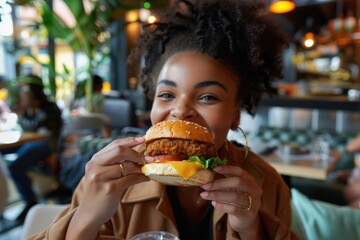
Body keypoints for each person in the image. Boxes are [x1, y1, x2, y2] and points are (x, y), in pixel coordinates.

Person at [29, 1, 297, 239]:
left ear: (236, 114)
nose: (180, 111)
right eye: (167, 94)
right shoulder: (109, 178)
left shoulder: (267, 184)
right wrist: (86, 217)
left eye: (207, 97)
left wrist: (251, 229)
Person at [4, 74, 63, 222]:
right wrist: (23, 112)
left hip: (48, 144)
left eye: (25, 93)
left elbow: (43, 132)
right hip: (31, 141)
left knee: (15, 166)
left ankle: (29, 202)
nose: (22, 97)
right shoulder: (28, 109)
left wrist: (24, 111)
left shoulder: (50, 108)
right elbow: (28, 129)